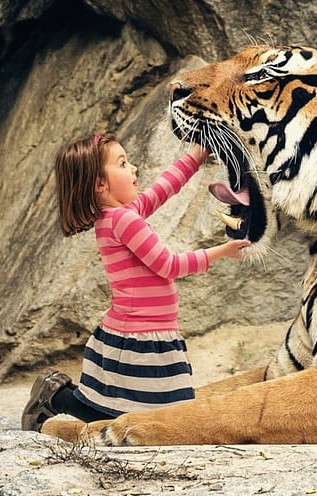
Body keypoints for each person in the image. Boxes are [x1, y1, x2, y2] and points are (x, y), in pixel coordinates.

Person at [21, 134, 250, 432]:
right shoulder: (123, 221)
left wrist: (199, 152)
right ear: (100, 184)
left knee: (134, 417)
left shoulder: (120, 215)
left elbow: (164, 188)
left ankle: (56, 395)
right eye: (123, 163)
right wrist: (222, 251)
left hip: (143, 332)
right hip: (140, 338)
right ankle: (57, 397)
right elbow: (168, 266)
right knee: (148, 422)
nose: (134, 168)